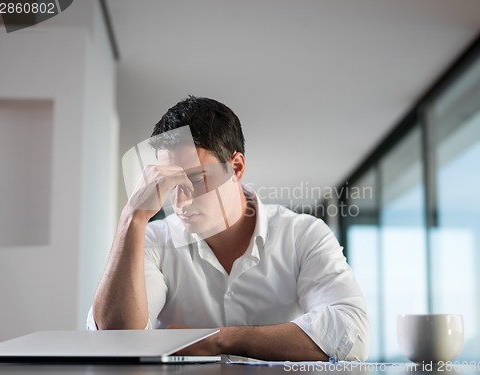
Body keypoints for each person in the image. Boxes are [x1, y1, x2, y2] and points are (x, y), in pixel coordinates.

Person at [88, 96, 370, 361]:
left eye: (197, 179)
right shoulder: (152, 240)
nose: (181, 201)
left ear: (236, 167)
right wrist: (132, 217)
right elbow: (117, 340)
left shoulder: (303, 234)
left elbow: (352, 335)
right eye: (170, 183)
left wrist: (217, 340)